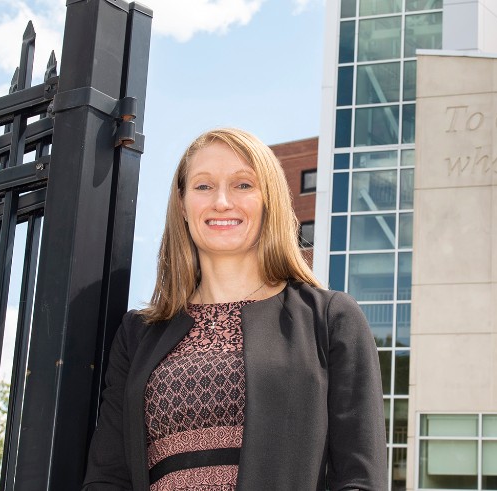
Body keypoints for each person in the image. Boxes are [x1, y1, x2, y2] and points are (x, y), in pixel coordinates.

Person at [82, 128, 386, 490]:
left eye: (243, 185)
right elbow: (107, 478)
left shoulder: (331, 319)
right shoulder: (138, 334)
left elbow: (359, 478)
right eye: (203, 186)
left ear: (268, 199)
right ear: (182, 204)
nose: (222, 202)